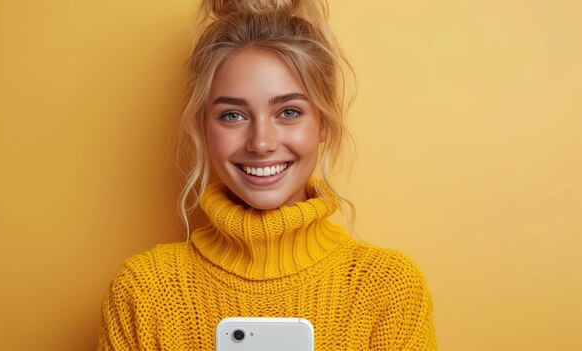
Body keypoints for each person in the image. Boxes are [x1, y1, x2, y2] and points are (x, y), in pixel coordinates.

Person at [98, 0, 436, 350]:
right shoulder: (142, 291)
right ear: (203, 125)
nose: (261, 143)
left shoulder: (388, 289)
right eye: (232, 115)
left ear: (323, 120)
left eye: (288, 112)